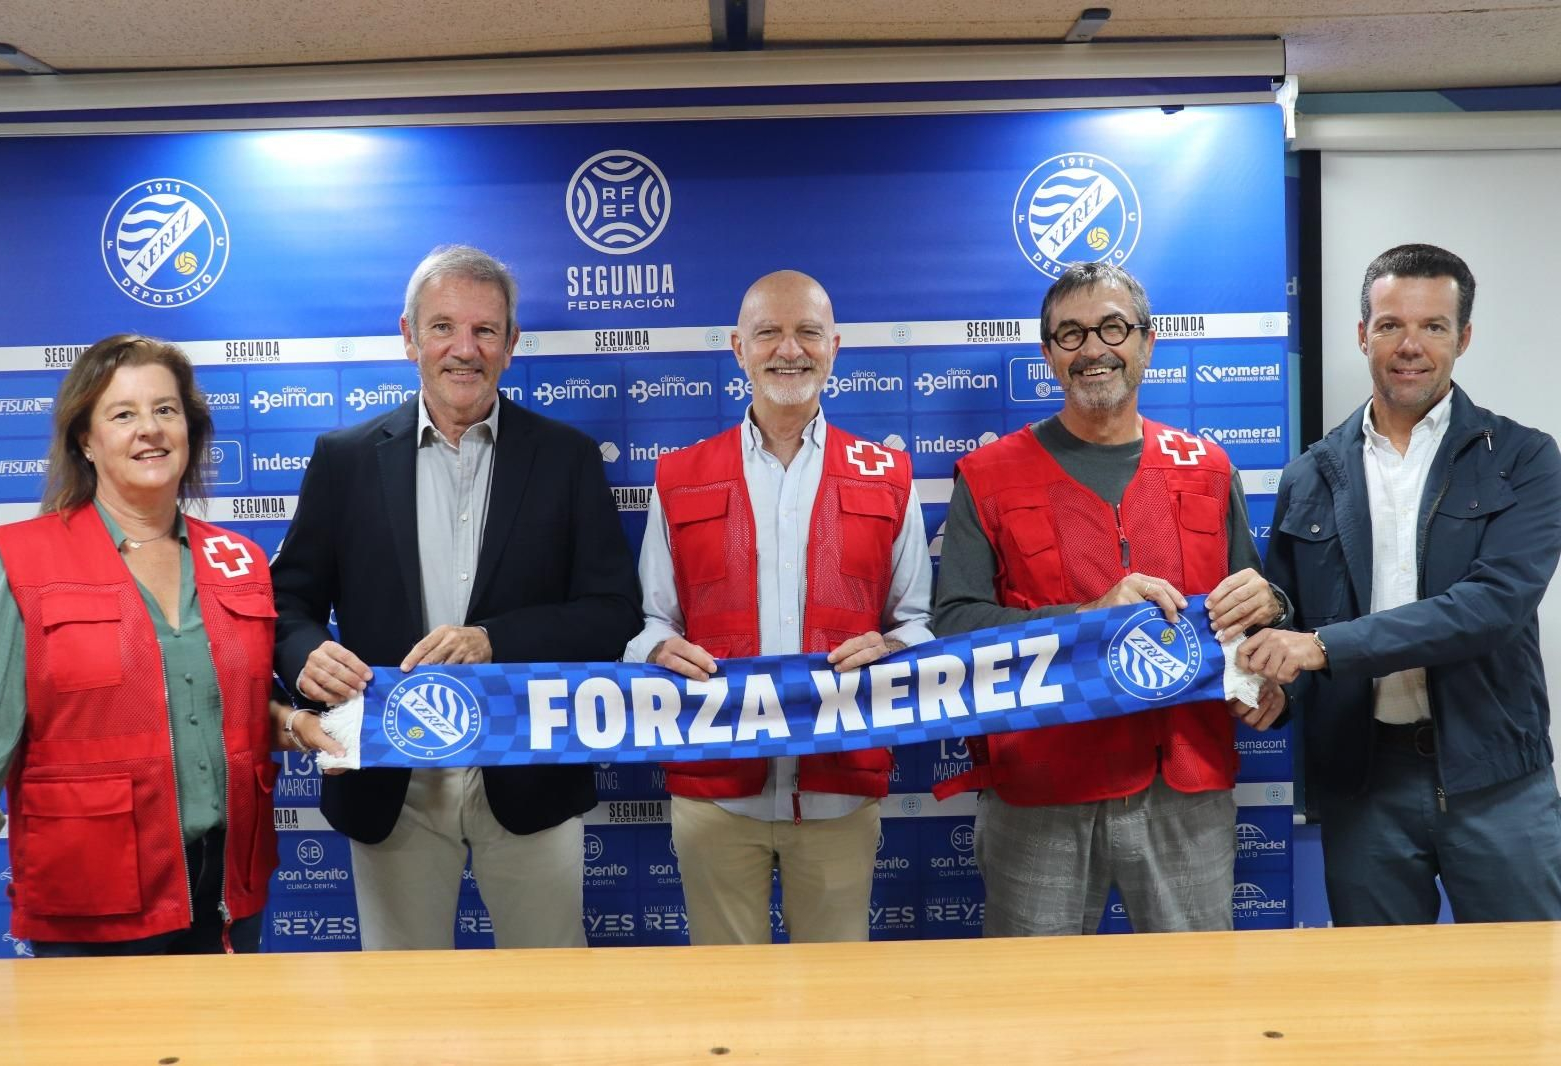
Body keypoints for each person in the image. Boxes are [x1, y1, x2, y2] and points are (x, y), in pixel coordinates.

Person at [272, 244, 641, 950]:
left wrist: (492, 639)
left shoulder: (567, 459)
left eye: (484, 330)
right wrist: (305, 656)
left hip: (529, 770)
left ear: (511, 344)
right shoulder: (344, 460)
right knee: (404, 1013)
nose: (463, 349)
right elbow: (288, 603)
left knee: (552, 1006)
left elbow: (613, 614)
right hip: (391, 779)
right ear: (409, 337)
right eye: (442, 327)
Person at [931, 261, 1286, 937]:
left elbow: (1246, 614)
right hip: (1040, 789)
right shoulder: (987, 475)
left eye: (1113, 328)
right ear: (1048, 355)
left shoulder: (1208, 468)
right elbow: (955, 629)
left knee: (1197, 1010)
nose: (1093, 349)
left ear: (1148, 343)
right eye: (1070, 334)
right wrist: (1088, 620)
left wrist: (1263, 665)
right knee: (1033, 1019)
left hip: (1184, 785)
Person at [1240, 243, 1561, 925]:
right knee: (1378, 1009)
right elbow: (1290, 614)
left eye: (1432, 326)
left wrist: (1318, 648)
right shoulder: (1311, 474)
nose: (1409, 345)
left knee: (1525, 998)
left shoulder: (1527, 460)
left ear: (1463, 338)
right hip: (1364, 787)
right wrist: (1274, 686)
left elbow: (1490, 609)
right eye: (1389, 325)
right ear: (1362, 335)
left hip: (1496, 779)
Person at [0, 334, 312, 956]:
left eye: (165, 410)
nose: (149, 429)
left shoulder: (239, 560)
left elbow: (212, 701)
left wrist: (290, 720)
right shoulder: (26, 563)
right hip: (91, 904)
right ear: (85, 441)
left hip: (226, 895)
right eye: (123, 414)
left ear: (189, 429)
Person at [623, 269, 933, 945]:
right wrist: (653, 650)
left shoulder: (889, 478)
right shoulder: (678, 476)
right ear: (739, 347)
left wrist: (896, 648)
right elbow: (652, 624)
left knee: (835, 1004)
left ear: (835, 346)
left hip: (840, 786)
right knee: (727, 1004)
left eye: (807, 333)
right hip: (715, 788)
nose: (788, 349)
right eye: (768, 332)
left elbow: (917, 624)